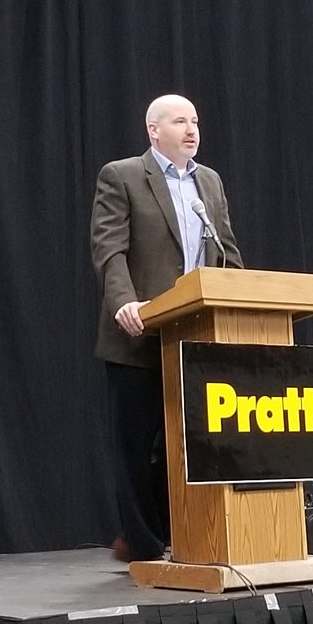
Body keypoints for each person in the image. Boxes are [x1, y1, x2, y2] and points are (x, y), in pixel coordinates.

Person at [91, 94, 244, 562]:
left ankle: (170, 532)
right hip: (140, 332)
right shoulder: (123, 176)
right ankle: (143, 545)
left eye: (195, 120)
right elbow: (109, 249)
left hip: (194, 336)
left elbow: (226, 250)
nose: (191, 129)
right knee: (138, 447)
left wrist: (243, 302)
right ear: (154, 130)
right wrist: (125, 302)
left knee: (183, 444)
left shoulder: (210, 182)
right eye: (180, 121)